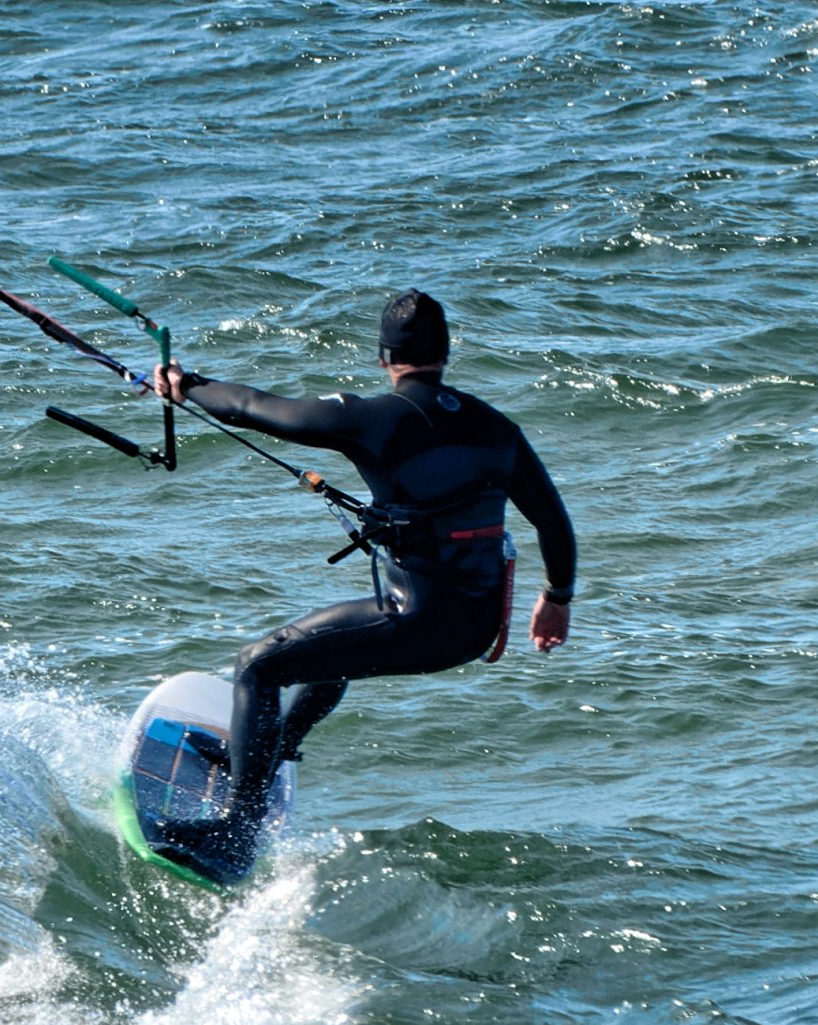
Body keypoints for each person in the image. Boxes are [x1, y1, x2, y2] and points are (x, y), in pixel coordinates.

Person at [144, 289, 577, 882]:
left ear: (383, 357)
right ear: (447, 353)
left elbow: (250, 405)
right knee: (334, 645)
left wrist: (183, 383)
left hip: (415, 622)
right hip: (474, 628)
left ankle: (236, 832)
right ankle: (270, 751)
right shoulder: (497, 429)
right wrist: (557, 599)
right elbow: (554, 522)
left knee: (257, 666)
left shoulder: (372, 418)